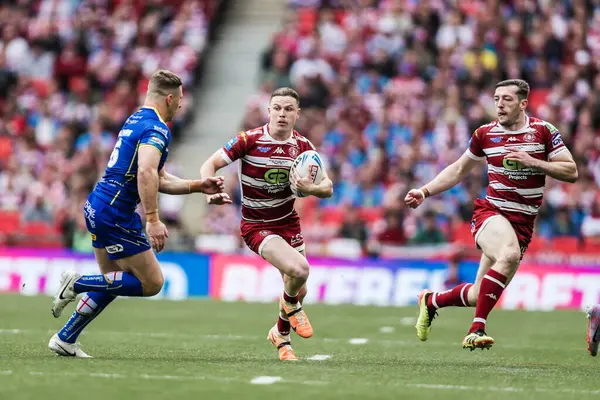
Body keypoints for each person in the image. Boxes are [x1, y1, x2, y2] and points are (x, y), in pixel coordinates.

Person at [48, 70, 225, 357]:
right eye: (179, 100)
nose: (180, 106)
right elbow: (145, 171)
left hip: (98, 205)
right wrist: (153, 220)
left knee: (113, 281)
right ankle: (76, 283)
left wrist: (196, 185)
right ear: (169, 98)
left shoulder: (135, 119)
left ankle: (65, 338)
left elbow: (158, 176)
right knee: (152, 282)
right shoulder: (157, 128)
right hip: (117, 212)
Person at [405, 79, 578, 350]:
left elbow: (571, 171)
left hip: (522, 225)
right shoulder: (485, 134)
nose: (500, 104)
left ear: (523, 104)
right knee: (508, 255)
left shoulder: (544, 131)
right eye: (496, 98)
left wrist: (533, 162)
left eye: (507, 99)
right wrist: (425, 191)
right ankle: (476, 329)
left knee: (478, 294)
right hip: (491, 214)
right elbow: (459, 169)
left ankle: (431, 301)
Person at [200, 87, 333, 361]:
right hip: (257, 226)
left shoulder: (303, 146)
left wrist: (311, 188)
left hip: (288, 223)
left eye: (288, 109)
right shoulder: (249, 140)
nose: (282, 114)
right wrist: (209, 189)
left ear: (297, 114)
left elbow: (328, 187)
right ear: (269, 110)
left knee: (300, 286)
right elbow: (208, 165)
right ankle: (292, 310)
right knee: (300, 269)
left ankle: (281, 335)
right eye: (277, 108)